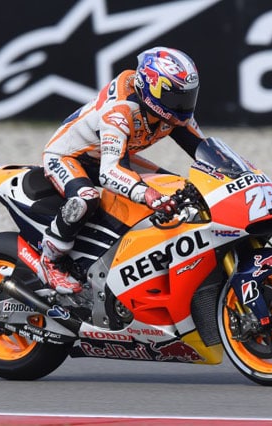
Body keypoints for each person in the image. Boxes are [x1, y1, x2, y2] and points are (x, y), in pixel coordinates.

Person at [40, 46, 206, 294]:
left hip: (110, 154)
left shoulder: (172, 113)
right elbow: (109, 172)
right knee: (86, 198)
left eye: (188, 97)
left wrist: (239, 171)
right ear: (152, 87)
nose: (183, 106)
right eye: (176, 97)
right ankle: (50, 260)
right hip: (69, 156)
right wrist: (147, 193)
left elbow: (204, 149)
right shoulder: (120, 111)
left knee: (175, 184)